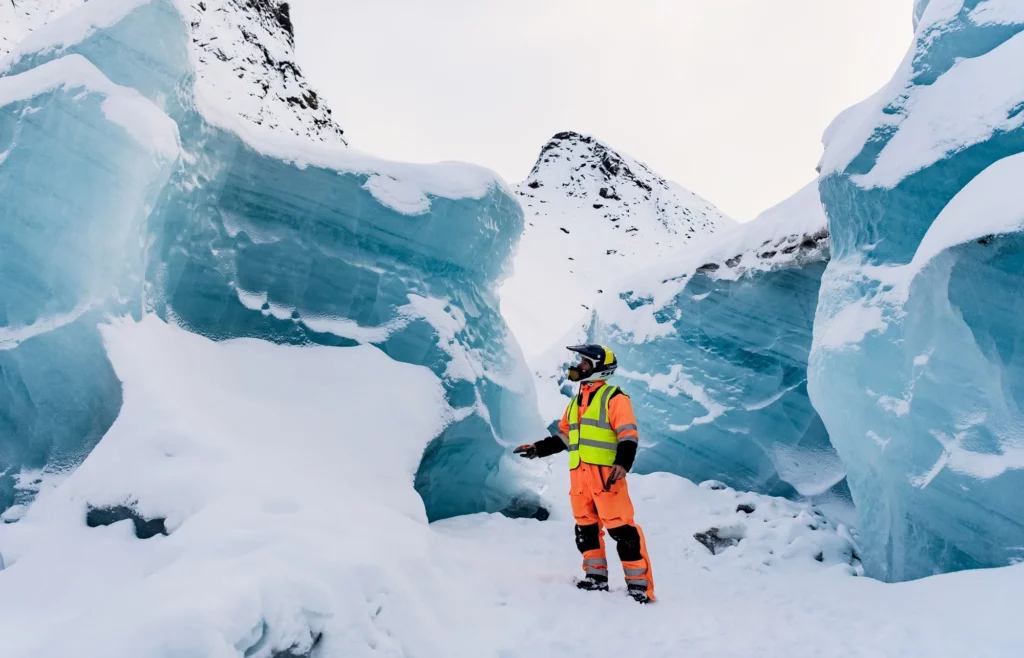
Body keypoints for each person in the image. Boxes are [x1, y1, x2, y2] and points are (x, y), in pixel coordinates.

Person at [515, 344, 656, 604]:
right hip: (579, 477)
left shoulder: (615, 397)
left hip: (607, 477)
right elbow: (565, 436)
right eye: (580, 361)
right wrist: (539, 448)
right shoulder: (576, 402)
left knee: (623, 531)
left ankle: (639, 586)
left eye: (584, 362)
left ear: (599, 369)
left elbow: (628, 434)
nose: (579, 366)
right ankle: (595, 578)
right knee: (586, 530)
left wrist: (623, 464)